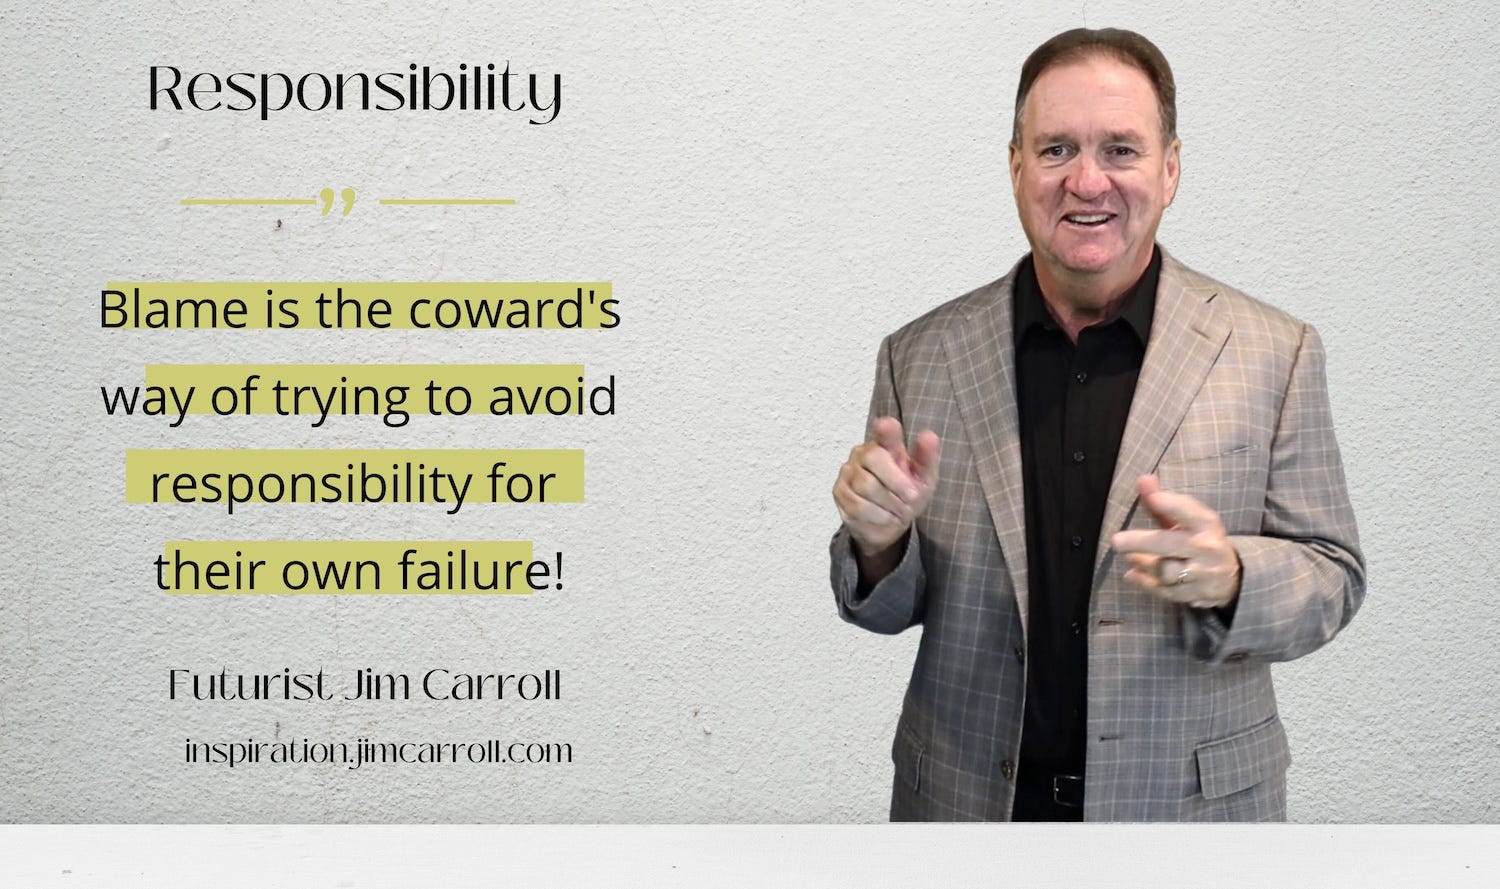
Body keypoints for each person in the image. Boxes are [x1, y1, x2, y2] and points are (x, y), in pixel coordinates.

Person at [829, 27, 1365, 822]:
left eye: (1121, 149)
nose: (1087, 181)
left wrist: (1232, 577)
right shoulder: (919, 355)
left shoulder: (1274, 351)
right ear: (1016, 166)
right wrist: (879, 544)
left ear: (1170, 169)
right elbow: (884, 606)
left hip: (1194, 818)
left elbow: (1334, 576)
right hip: (967, 810)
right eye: (1056, 150)